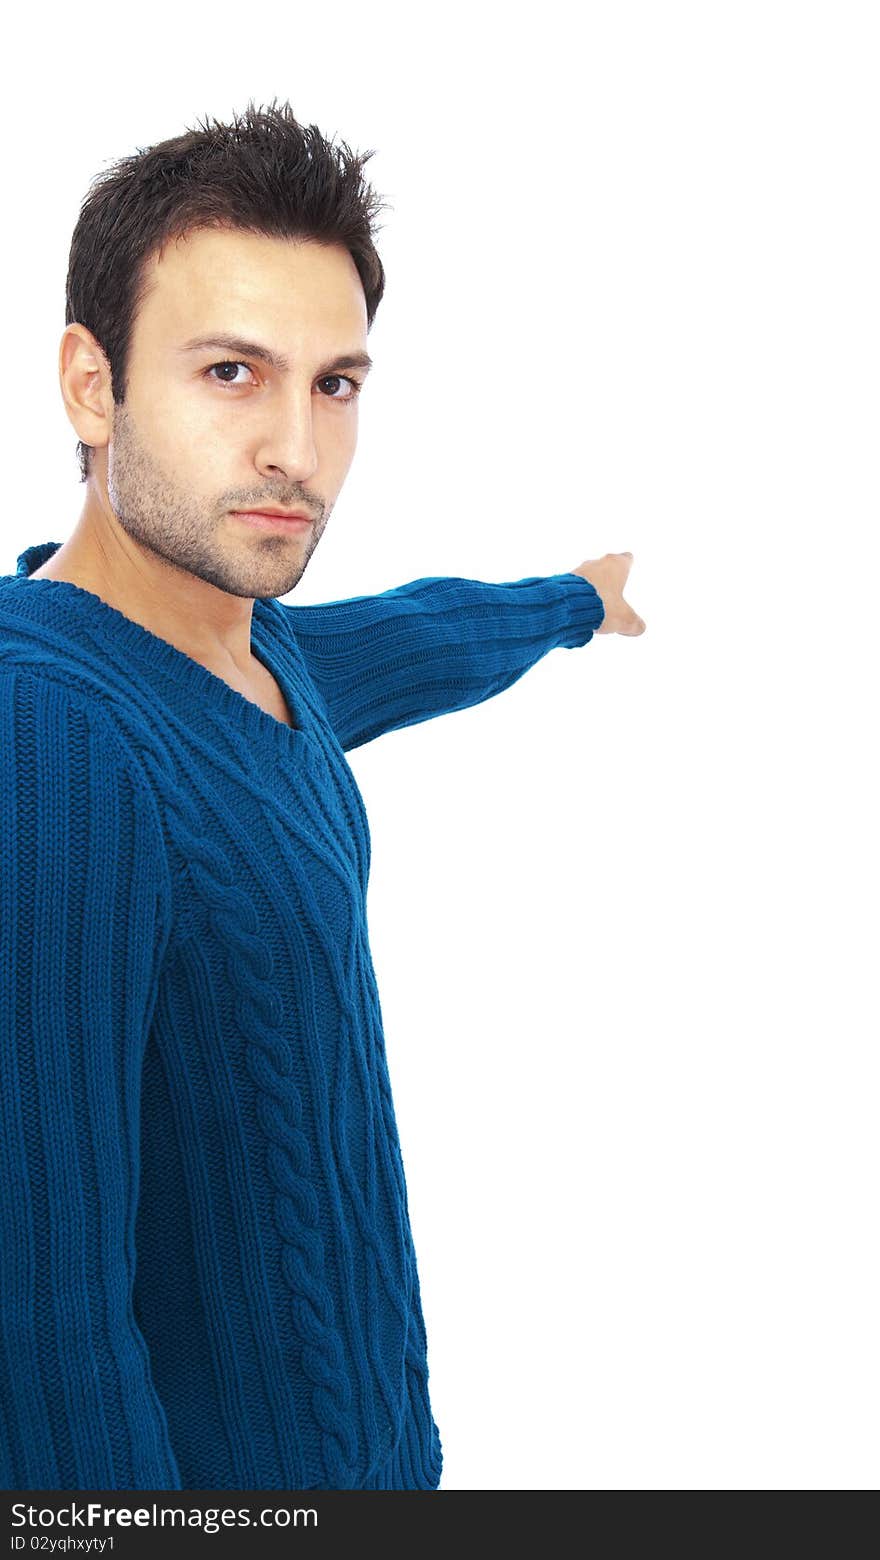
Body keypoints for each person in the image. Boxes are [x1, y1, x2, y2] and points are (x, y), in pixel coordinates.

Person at [0, 99, 645, 1493]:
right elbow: (41, 1336)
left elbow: (416, 637)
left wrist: (572, 604)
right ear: (91, 384)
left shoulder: (253, 645)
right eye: (231, 372)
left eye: (335, 383)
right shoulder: (47, 733)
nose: (297, 445)